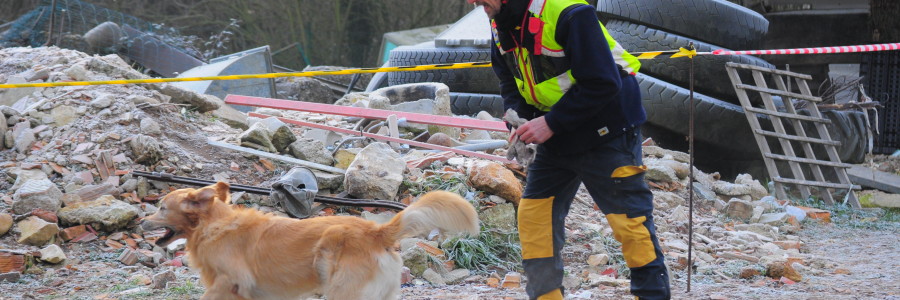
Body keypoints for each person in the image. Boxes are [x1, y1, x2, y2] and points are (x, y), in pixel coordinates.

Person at [466, 0, 671, 299]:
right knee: (535, 218)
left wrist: (550, 123)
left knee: (630, 224)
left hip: (606, 130)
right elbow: (510, 79)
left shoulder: (571, 14)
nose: (474, 1)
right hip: (556, 133)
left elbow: (603, 82)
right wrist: (517, 116)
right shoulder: (501, 17)